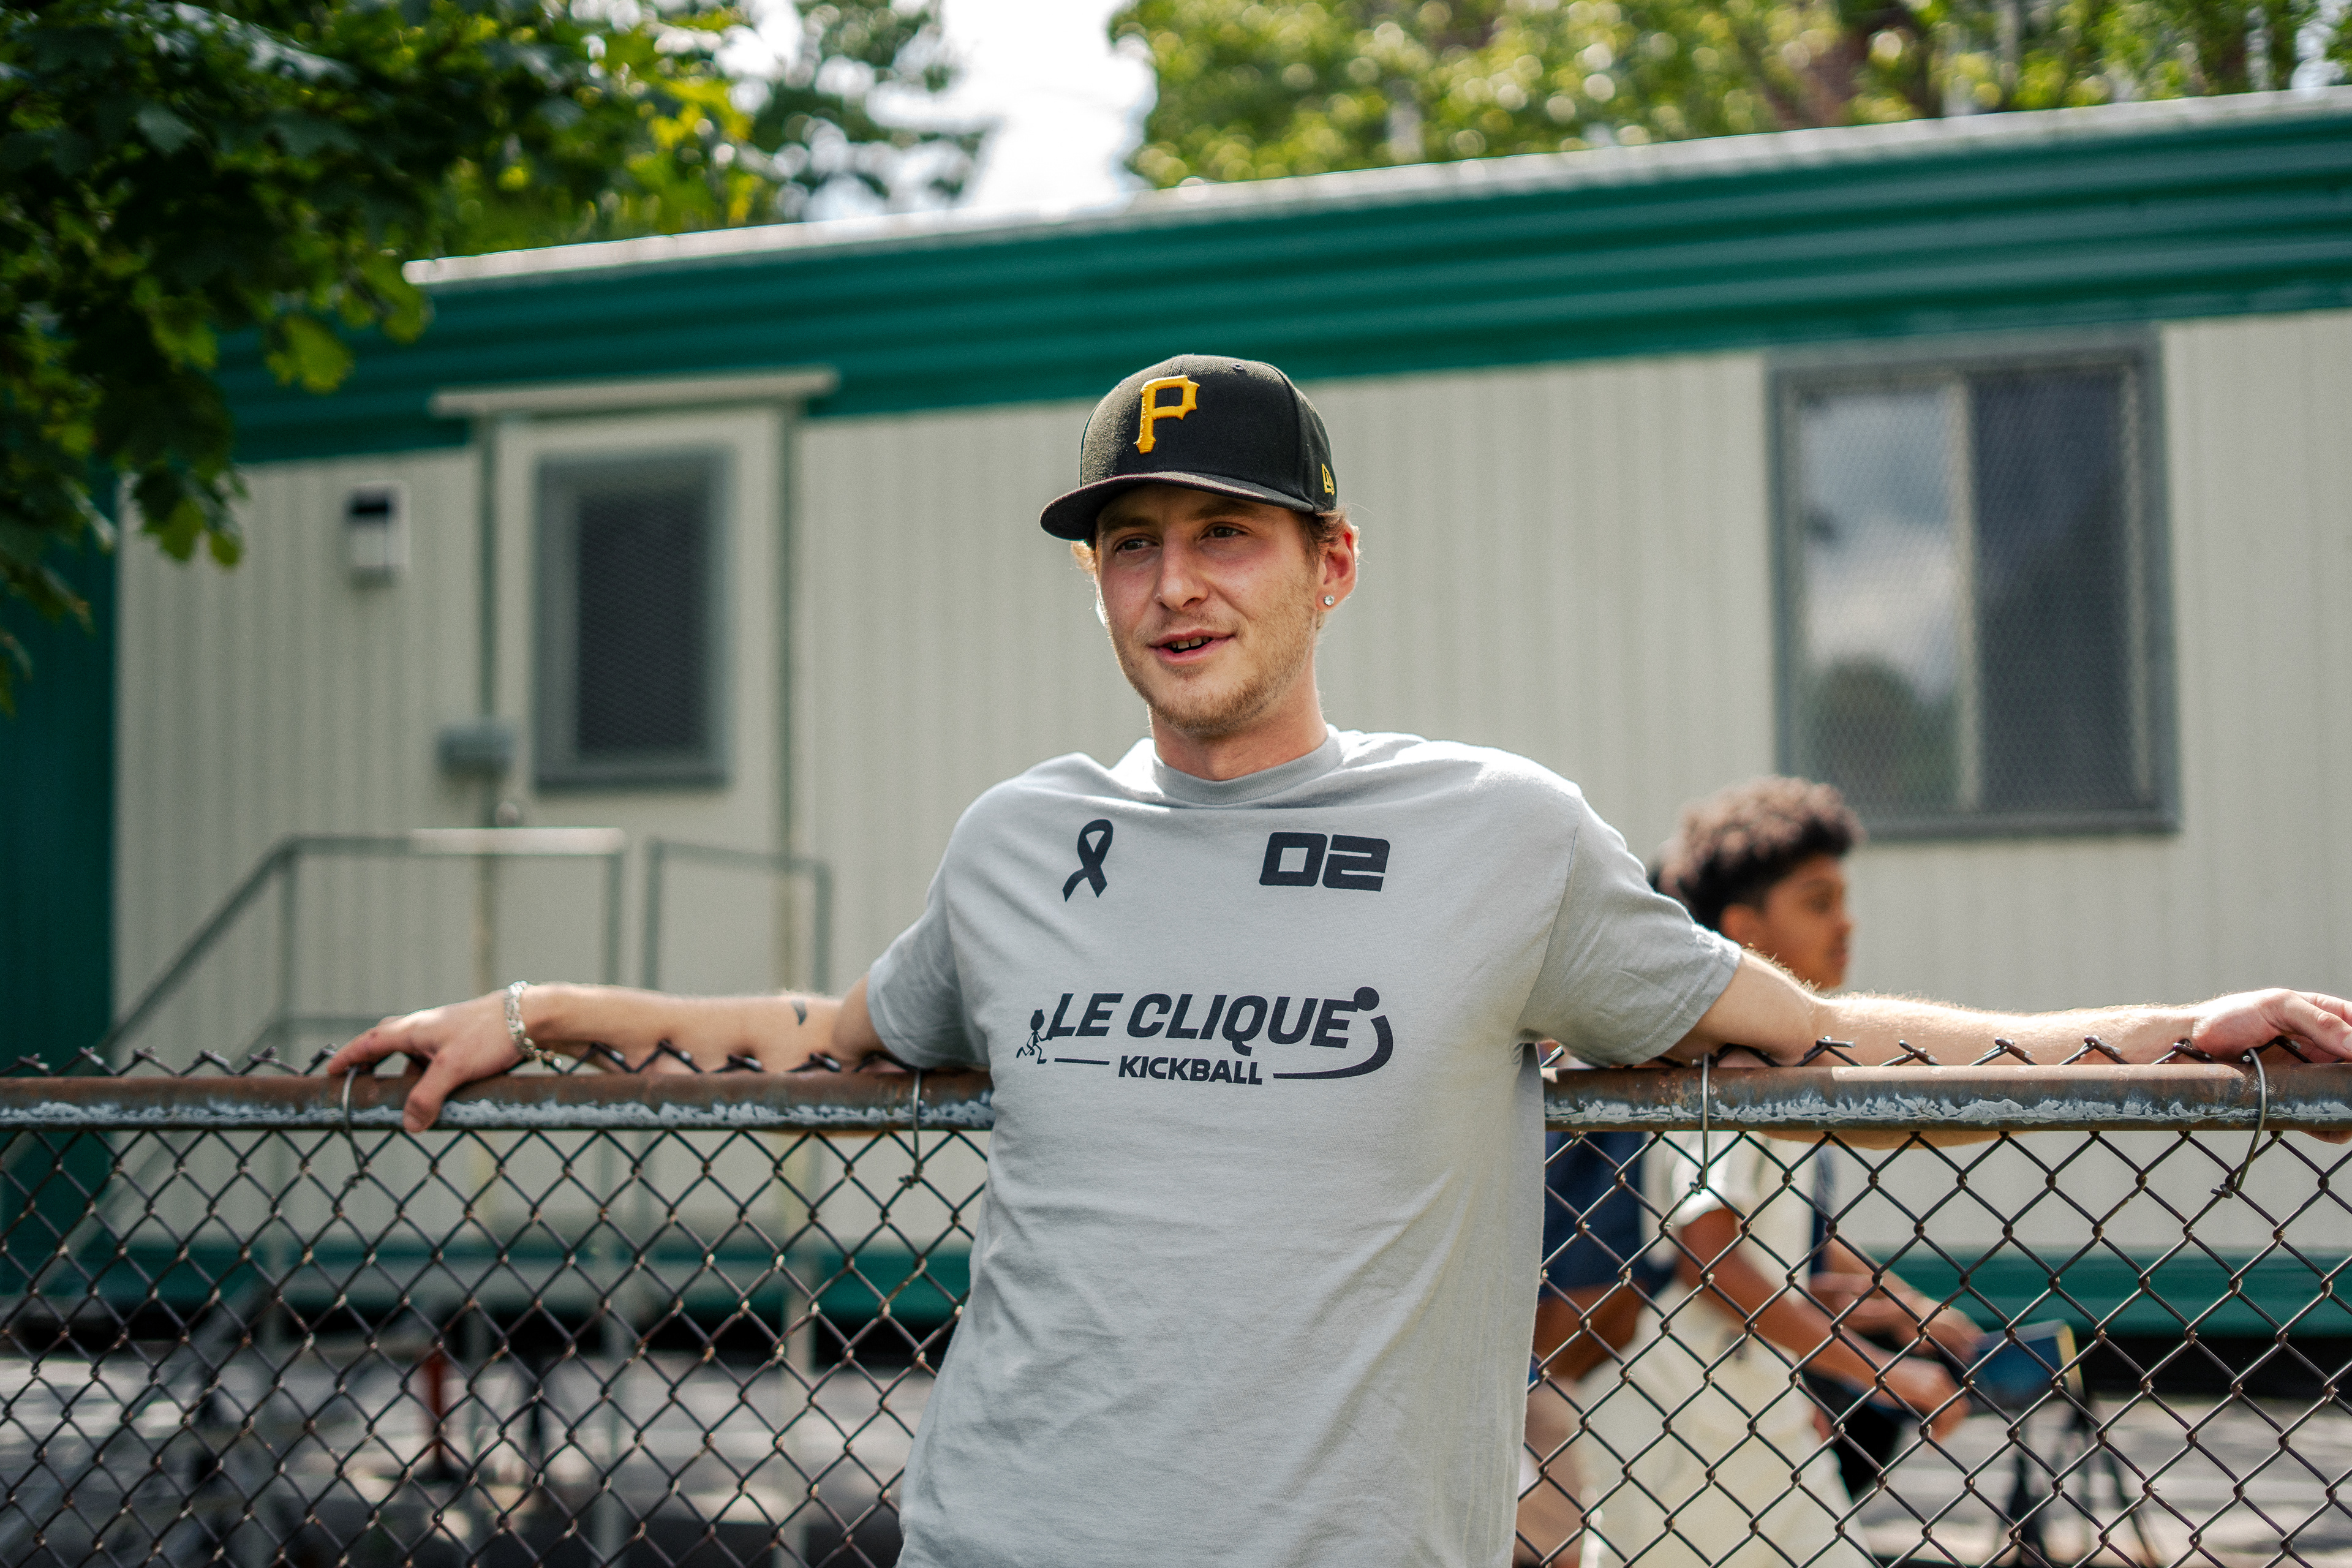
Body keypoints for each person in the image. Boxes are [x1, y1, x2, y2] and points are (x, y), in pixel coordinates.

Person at [328, 354, 2352, 1568]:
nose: (1173, 584)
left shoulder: (1495, 834)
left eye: (1225, 534)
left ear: (1331, 563)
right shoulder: (1024, 840)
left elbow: (1811, 1040)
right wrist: (533, 1011)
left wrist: (2177, 1033)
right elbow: (823, 1037)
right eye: (1130, 542)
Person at [1651, 778, 1985, 1504]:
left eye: (1843, 899)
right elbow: (1707, 1253)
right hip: (1696, 1434)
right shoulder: (1734, 1068)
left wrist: (1903, 1304)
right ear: (1744, 929)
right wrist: (1883, 1370)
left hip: (1748, 1414)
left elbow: (1797, 1234)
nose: (1846, 923)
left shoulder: (1784, 1062)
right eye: (1817, 901)